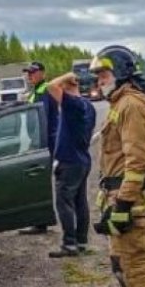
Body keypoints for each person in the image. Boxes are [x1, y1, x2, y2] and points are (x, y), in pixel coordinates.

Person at [91, 45, 145, 287]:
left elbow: (138, 161)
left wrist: (122, 204)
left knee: (136, 275)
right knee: (122, 269)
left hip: (130, 206)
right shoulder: (120, 103)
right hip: (120, 200)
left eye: (103, 75)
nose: (99, 82)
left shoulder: (131, 105)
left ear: (119, 73)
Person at [45, 72, 96, 257]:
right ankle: (81, 242)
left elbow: (50, 86)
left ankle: (69, 244)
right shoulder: (88, 106)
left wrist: (67, 76)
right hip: (82, 160)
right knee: (80, 202)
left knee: (64, 202)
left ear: (66, 87)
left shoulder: (72, 104)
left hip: (69, 161)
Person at [18, 61, 59, 235]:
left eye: (33, 73)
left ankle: (41, 222)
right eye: (28, 73)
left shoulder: (44, 90)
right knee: (39, 181)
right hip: (41, 141)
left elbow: (44, 119)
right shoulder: (36, 91)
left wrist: (39, 144)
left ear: (42, 73)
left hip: (46, 142)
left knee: (40, 182)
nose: (30, 76)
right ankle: (40, 221)